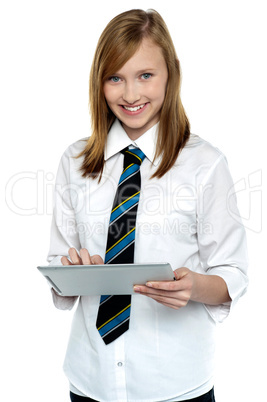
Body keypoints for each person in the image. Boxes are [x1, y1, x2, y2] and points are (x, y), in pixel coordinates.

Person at [47, 9, 248, 402]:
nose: (131, 94)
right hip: (91, 381)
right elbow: (59, 270)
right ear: (99, 82)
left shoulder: (205, 165)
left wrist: (194, 287)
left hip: (175, 385)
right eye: (115, 78)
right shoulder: (74, 162)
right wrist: (70, 273)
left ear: (171, 72)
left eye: (146, 75)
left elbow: (233, 274)